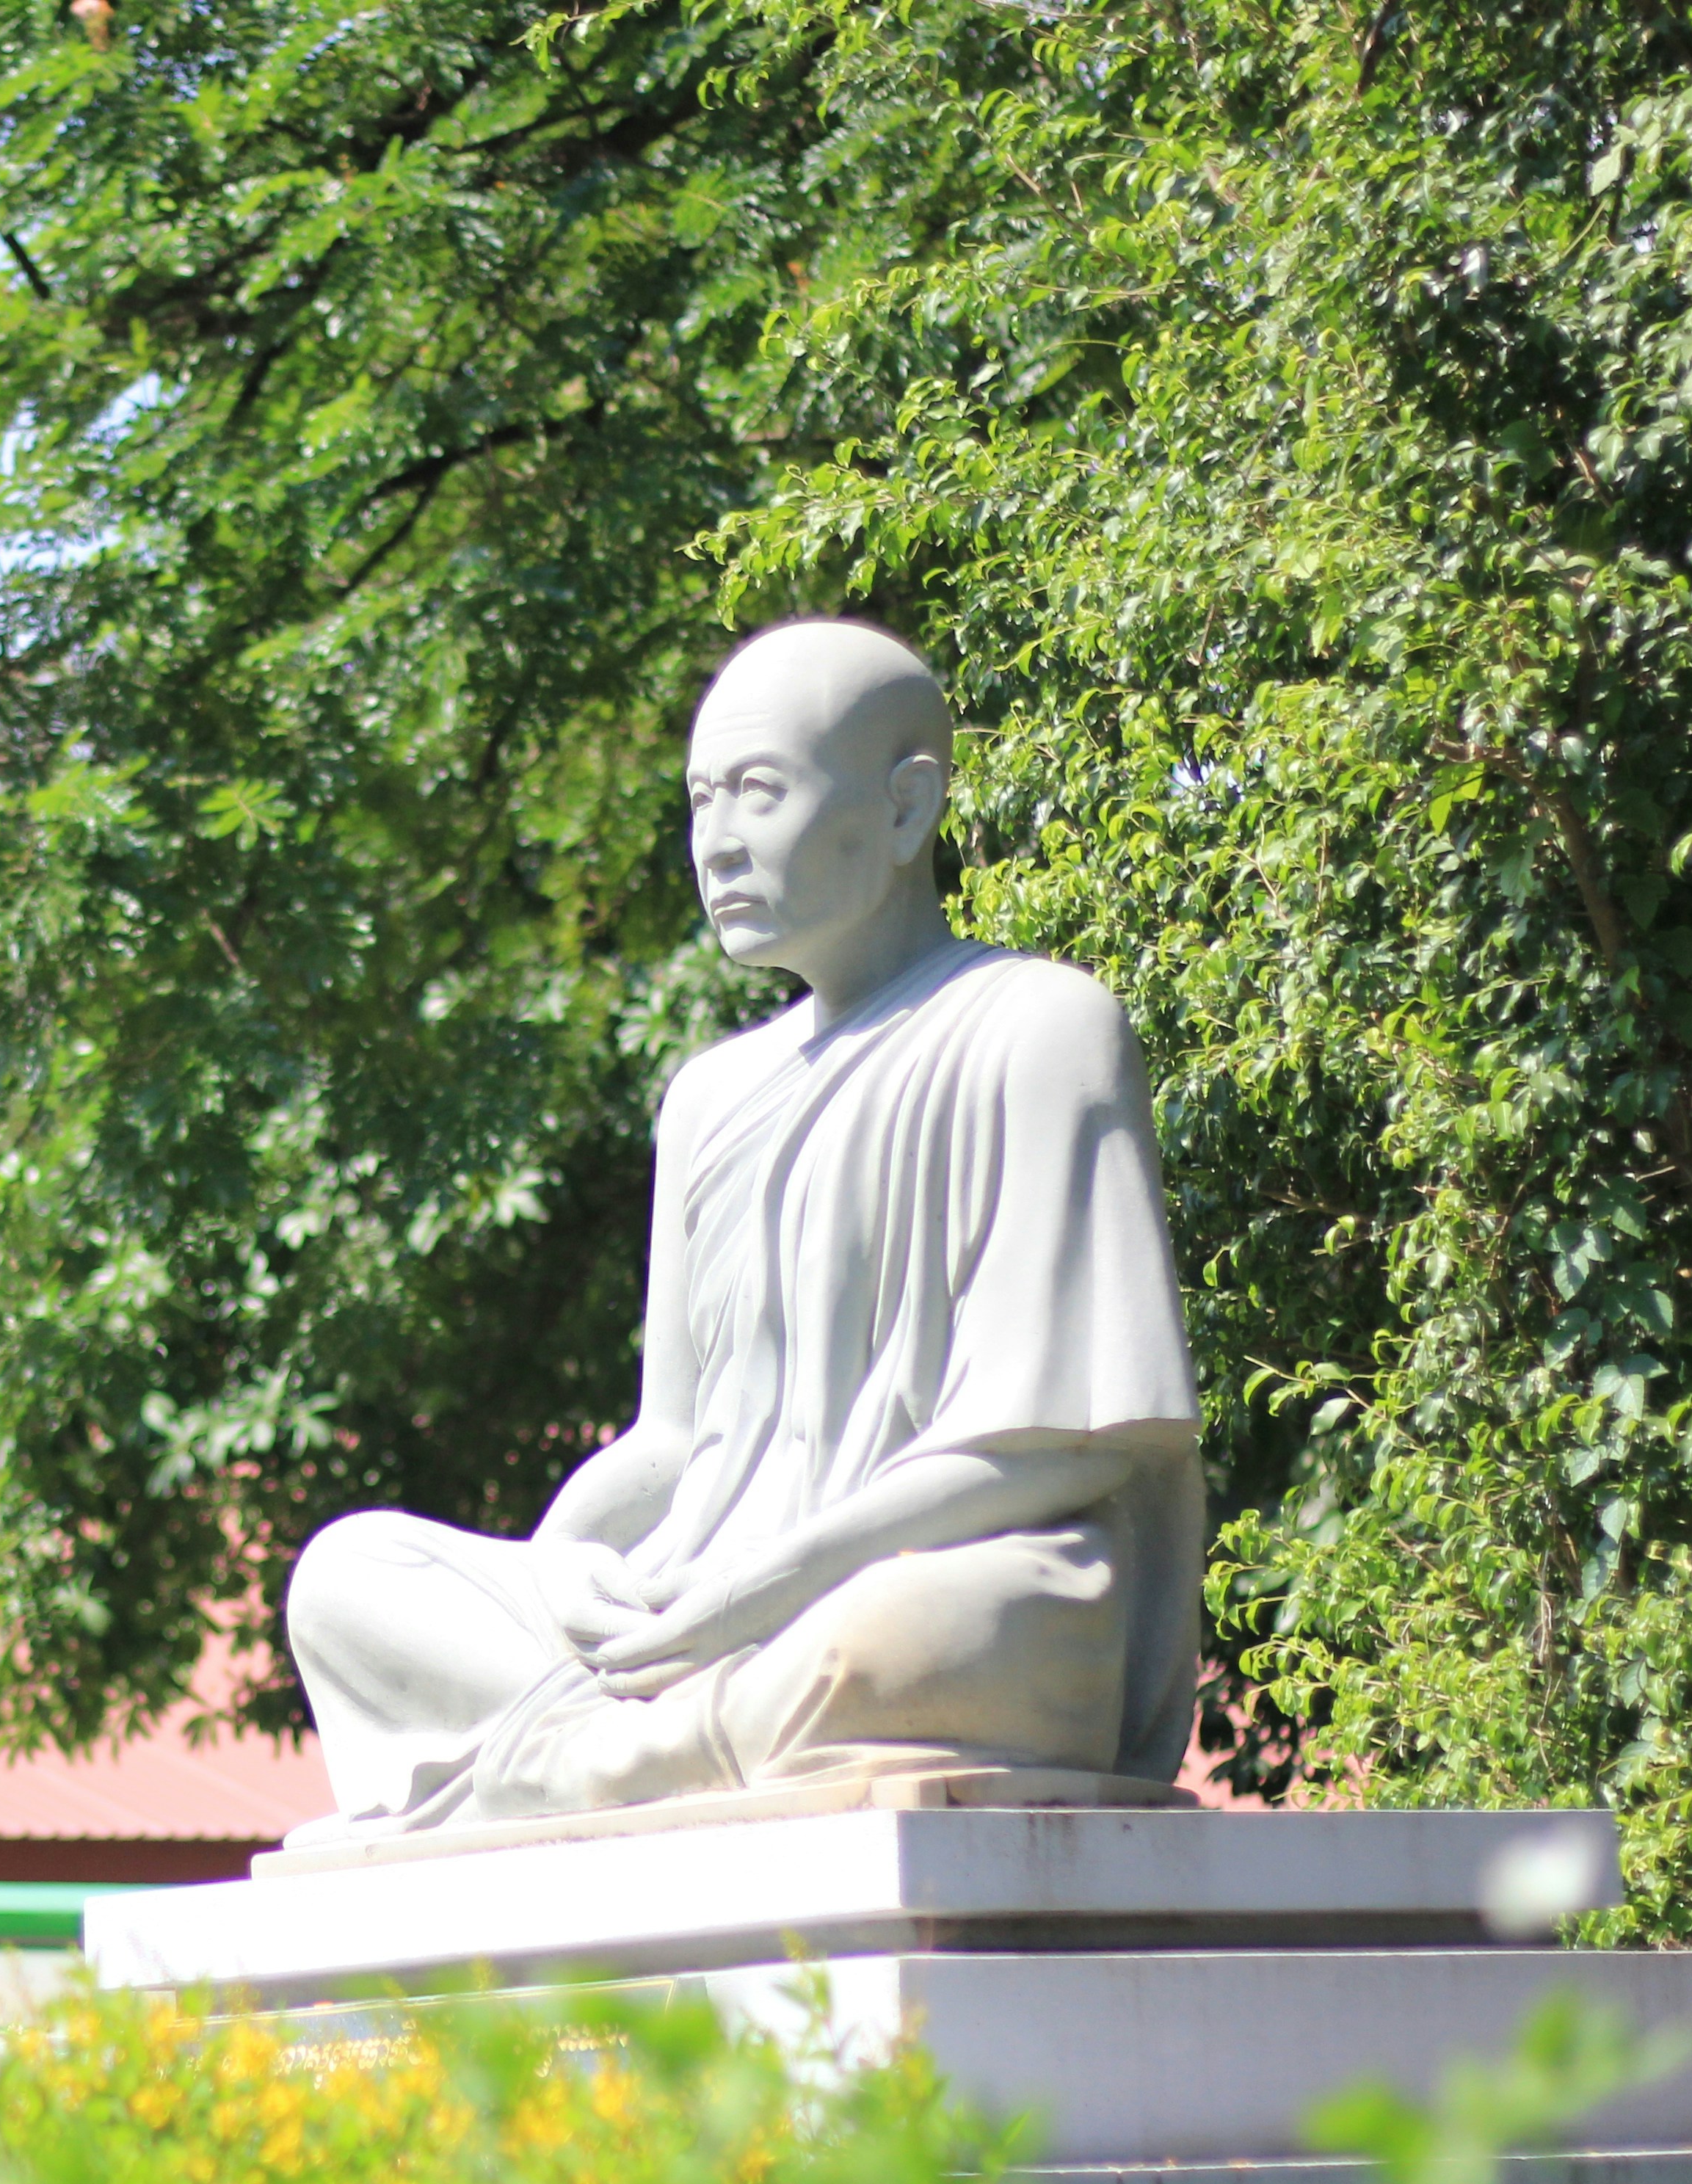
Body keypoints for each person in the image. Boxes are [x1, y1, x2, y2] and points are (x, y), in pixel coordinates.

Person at [280, 619, 1204, 1843]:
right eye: (700, 798)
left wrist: (760, 1589)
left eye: (758, 792)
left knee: (901, 1643)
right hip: (699, 1601)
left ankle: (581, 1764)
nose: (716, 839)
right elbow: (674, 1439)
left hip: (916, 1579)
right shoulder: (710, 1099)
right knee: (349, 1579)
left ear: (905, 809)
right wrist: (567, 1563)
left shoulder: (1039, 1028)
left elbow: (1066, 1448)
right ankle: (645, 1753)